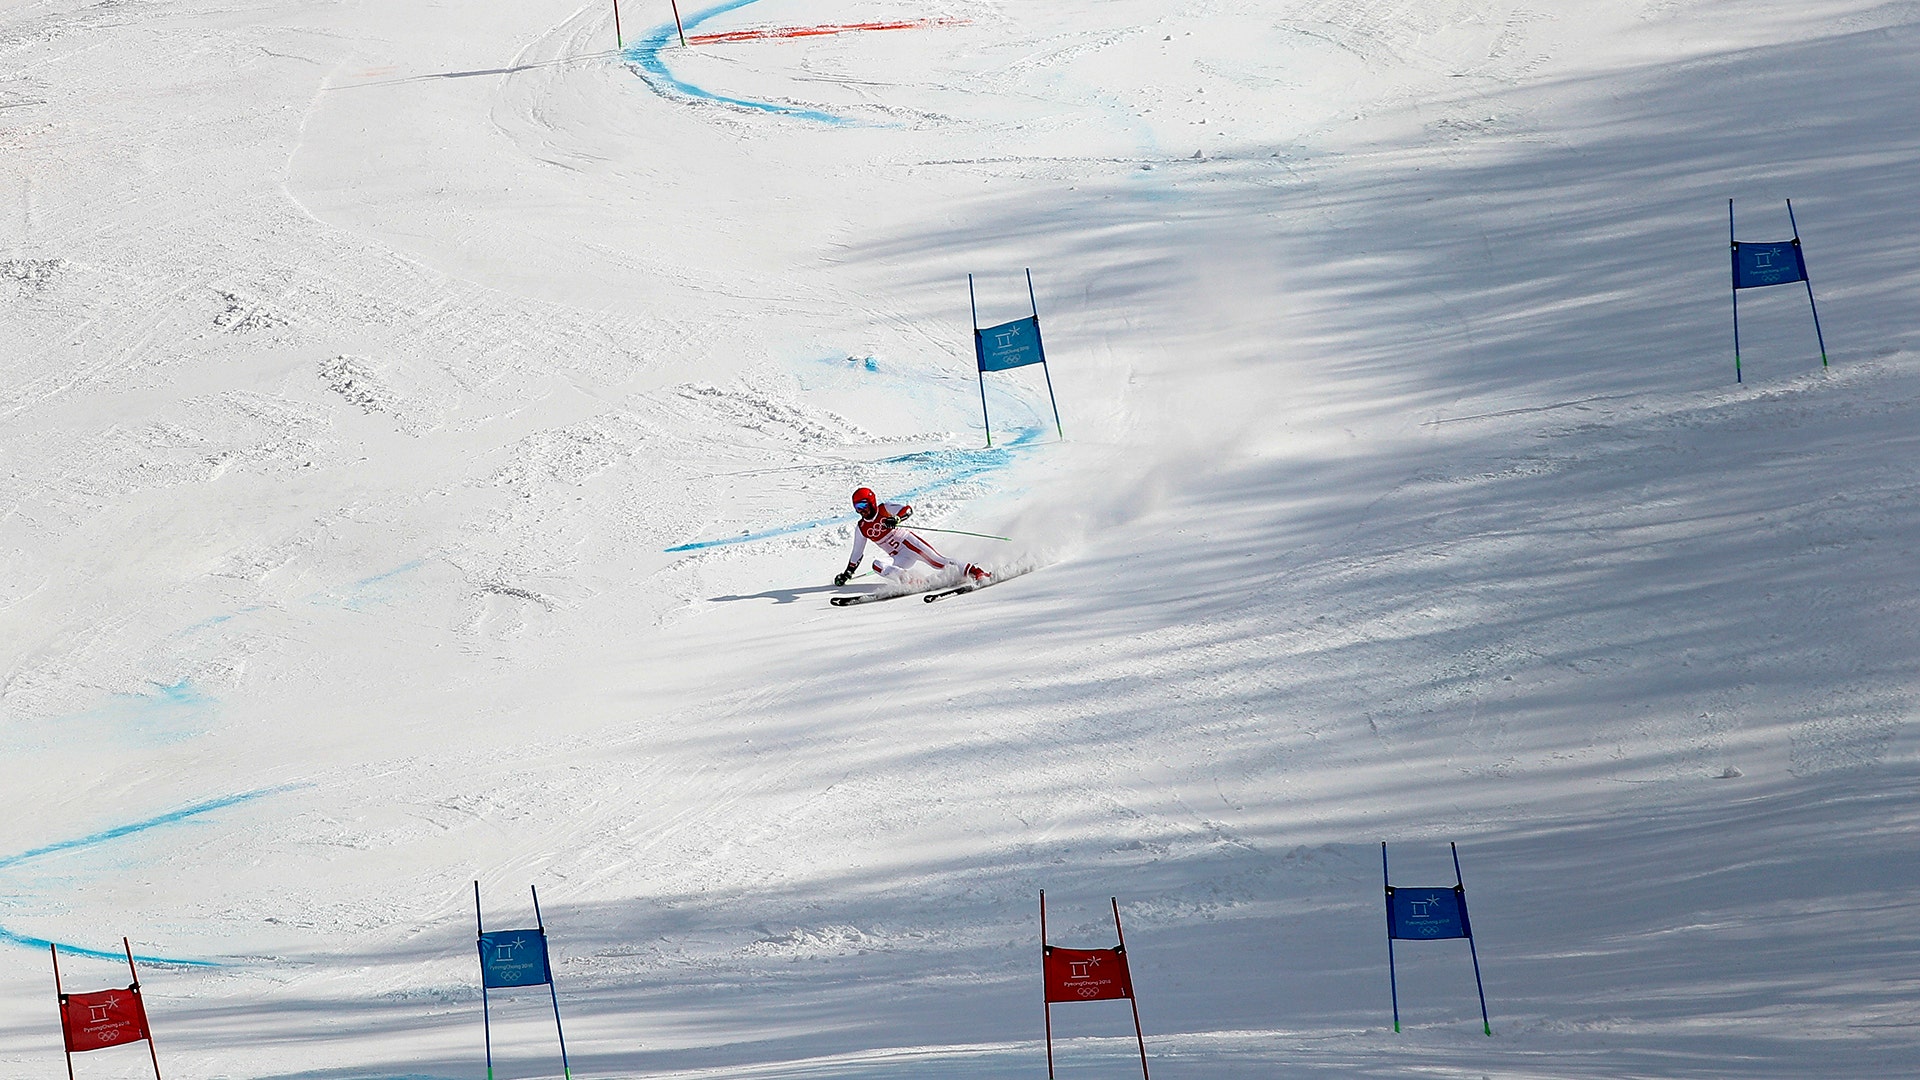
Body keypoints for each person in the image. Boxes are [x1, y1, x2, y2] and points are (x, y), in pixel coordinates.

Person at [834, 487, 989, 586]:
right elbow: (857, 553)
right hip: (899, 557)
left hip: (910, 544)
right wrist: (848, 573)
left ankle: (976, 572)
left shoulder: (885, 508)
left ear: (871, 502)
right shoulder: (862, 528)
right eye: (857, 507)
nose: (861, 510)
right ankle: (911, 581)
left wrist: (896, 519)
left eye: (863, 505)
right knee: (877, 565)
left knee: (938, 562)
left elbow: (907, 510)